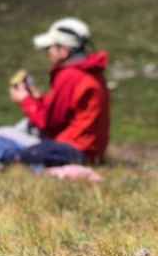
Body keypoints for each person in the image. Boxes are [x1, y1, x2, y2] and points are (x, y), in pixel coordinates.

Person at [9, 17, 110, 166]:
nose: (48, 53)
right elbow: (64, 115)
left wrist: (25, 100)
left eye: (49, 48)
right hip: (90, 150)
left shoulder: (71, 76)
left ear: (63, 51)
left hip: (76, 149)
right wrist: (37, 98)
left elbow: (48, 123)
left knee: (3, 142)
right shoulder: (92, 73)